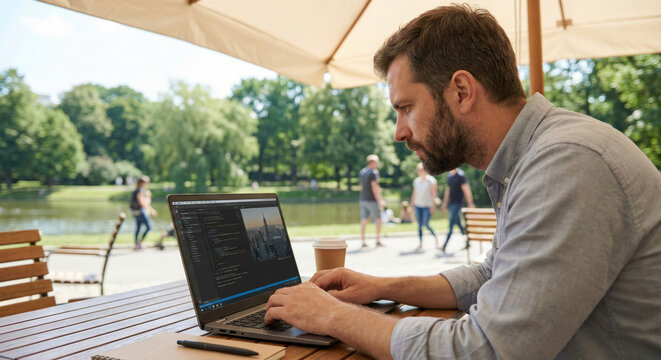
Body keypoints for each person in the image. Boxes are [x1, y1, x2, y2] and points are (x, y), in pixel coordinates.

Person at [262, 5, 661, 359]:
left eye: (406, 108)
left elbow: (485, 350)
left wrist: (332, 315)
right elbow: (492, 274)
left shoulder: (569, 163)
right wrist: (380, 286)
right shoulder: (534, 158)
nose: (399, 133)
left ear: (462, 91)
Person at [440, 168, 474, 252]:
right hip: (451, 203)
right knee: (458, 224)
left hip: (458, 203)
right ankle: (468, 241)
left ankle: (444, 245)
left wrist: (470, 203)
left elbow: (466, 189)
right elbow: (448, 190)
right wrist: (444, 202)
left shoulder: (461, 175)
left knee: (451, 223)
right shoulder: (450, 176)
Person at [358, 154, 386, 247]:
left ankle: (363, 241)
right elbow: (375, 187)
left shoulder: (362, 172)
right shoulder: (373, 172)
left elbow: (361, 186)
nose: (378, 163)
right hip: (372, 200)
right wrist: (380, 200)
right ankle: (377, 240)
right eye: (377, 161)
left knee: (364, 220)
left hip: (363, 199)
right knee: (378, 219)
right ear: (373, 162)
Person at [410, 162, 439, 249]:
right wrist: (412, 205)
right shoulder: (416, 181)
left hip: (427, 205)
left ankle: (435, 236)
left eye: (421, 170)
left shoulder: (431, 181)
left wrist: (433, 206)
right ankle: (421, 243)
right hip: (418, 205)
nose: (420, 171)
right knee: (419, 225)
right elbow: (414, 194)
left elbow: (434, 195)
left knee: (425, 223)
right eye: (418, 170)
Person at [130, 176, 157, 250]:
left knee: (138, 227)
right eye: (147, 182)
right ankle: (139, 243)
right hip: (140, 211)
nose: (147, 184)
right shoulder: (140, 190)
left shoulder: (137, 190)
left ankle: (136, 244)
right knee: (149, 227)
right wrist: (151, 210)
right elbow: (142, 202)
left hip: (135, 212)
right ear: (142, 183)